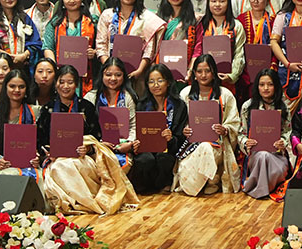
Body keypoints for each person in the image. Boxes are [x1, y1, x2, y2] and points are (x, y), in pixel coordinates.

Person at [37, 64, 137, 215]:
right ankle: (70, 203)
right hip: (55, 158)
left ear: (76, 85)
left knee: (72, 164)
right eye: (61, 82)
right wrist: (48, 152)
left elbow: (96, 137)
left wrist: (88, 148)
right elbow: (40, 139)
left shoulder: (86, 107)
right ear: (56, 83)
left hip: (83, 157)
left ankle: (83, 203)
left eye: (70, 82)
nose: (65, 86)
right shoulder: (47, 109)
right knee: (60, 166)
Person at [174, 53, 241, 195]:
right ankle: (206, 181)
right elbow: (178, 122)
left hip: (217, 143)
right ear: (194, 74)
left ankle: (212, 181)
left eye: (207, 71)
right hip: (191, 143)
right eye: (199, 71)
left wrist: (225, 129)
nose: (203, 75)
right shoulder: (185, 94)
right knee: (200, 149)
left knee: (206, 147)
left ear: (214, 73)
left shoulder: (225, 94)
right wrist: (184, 129)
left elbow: (235, 122)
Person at [95, 0, 163, 85]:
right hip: (110, 76)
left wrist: (140, 70)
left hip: (137, 75)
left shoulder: (147, 17)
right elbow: (101, 45)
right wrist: (110, 69)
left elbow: (149, 50)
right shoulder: (107, 15)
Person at [130, 62, 187, 194]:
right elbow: (135, 130)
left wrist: (171, 138)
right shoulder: (142, 105)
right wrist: (135, 143)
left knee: (164, 158)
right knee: (145, 160)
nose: (156, 85)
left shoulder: (179, 105)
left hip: (169, 149)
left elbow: (181, 136)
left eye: (160, 81)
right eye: (151, 82)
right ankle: (145, 188)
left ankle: (163, 185)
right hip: (146, 148)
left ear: (168, 82)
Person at [0, 69, 39, 178]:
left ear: (27, 89)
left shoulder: (35, 112)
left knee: (38, 178)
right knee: (9, 175)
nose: (17, 90)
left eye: (21, 87)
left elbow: (39, 144)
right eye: (12, 86)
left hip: (27, 164)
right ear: (5, 88)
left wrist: (37, 157)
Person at [239, 67, 291, 199]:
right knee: (263, 155)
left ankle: (261, 189)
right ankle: (263, 190)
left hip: (277, 154)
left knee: (268, 157)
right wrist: (246, 142)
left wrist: (283, 142)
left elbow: (288, 132)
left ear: (276, 86)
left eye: (270, 84)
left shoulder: (283, 107)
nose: (266, 88)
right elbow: (240, 134)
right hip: (255, 154)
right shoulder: (247, 107)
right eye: (262, 85)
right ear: (257, 87)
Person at [42, 0, 97, 93]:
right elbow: (48, 47)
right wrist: (54, 66)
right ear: (62, 0)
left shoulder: (93, 21)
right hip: (62, 77)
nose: (71, 0)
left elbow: (102, 46)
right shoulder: (54, 24)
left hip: (87, 76)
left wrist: (94, 52)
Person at [198, 0, 246, 89]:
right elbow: (197, 51)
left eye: (222, 1)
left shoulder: (236, 26)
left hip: (227, 79)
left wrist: (232, 75)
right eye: (213, 1)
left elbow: (239, 54)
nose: (217, 5)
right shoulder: (201, 25)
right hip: (203, 79)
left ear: (228, 2)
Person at [236, 0, 276, 101]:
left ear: (267, 0)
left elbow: (276, 47)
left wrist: (272, 67)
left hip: (266, 70)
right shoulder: (241, 19)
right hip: (245, 70)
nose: (256, 1)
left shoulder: (273, 21)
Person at [0, 0, 42, 72]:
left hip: (23, 67)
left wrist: (24, 55)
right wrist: (7, 56)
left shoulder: (24, 18)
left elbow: (36, 42)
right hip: (0, 67)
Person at [154, 0, 201, 71]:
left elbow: (198, 48)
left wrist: (190, 70)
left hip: (186, 69)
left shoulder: (196, 19)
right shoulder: (157, 19)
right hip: (161, 70)